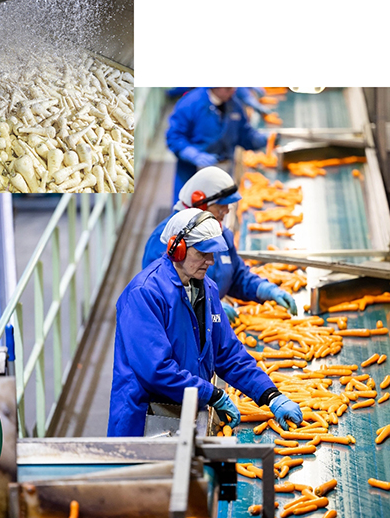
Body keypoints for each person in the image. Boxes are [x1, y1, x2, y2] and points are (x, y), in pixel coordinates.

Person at [107, 208, 303, 437]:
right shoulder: (144, 294)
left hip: (185, 413)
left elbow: (228, 354)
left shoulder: (207, 288)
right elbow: (156, 370)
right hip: (142, 421)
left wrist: (270, 395)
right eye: (203, 253)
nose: (210, 261)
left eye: (213, 254)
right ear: (177, 249)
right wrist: (211, 393)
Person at [142, 166, 297, 322]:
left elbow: (236, 275)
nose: (227, 211)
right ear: (200, 203)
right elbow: (161, 293)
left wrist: (263, 289)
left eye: (228, 206)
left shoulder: (219, 232)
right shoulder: (166, 239)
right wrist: (204, 308)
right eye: (221, 206)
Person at [166, 87, 270, 202]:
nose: (233, 91)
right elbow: (174, 137)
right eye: (227, 89)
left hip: (224, 171)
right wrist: (193, 154)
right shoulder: (190, 104)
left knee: (220, 210)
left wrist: (261, 139)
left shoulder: (233, 104)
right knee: (191, 211)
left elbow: (244, 135)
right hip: (193, 172)